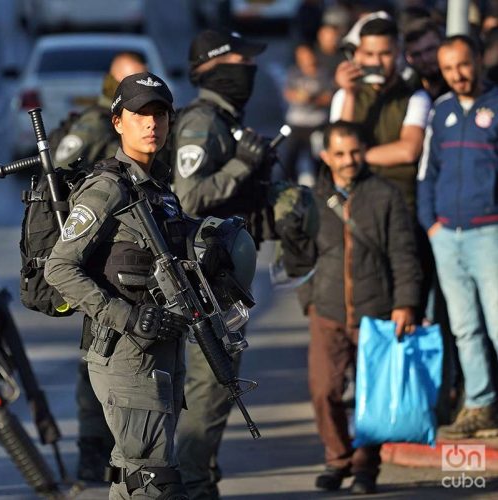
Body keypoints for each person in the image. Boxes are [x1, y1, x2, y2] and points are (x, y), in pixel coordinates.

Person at [45, 72, 191, 500]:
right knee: (148, 474)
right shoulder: (107, 189)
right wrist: (126, 316)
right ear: (117, 123)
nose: (151, 124)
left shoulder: (160, 189)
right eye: (140, 114)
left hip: (164, 343)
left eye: (160, 114)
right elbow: (60, 268)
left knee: (143, 471)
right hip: (127, 352)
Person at [280, 121, 421, 495]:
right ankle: (337, 459)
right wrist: (309, 301)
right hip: (326, 312)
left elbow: (404, 254)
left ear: (365, 151)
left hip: (376, 312)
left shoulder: (385, 195)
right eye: (339, 153)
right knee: (324, 390)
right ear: (325, 156)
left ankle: (365, 467)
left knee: (371, 397)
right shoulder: (312, 200)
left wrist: (405, 303)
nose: (348, 160)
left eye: (355, 152)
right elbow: (298, 259)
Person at [170, 29, 270, 500]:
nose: (247, 68)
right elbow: (189, 196)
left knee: (217, 385)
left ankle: (198, 476)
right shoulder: (201, 123)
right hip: (204, 280)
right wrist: (239, 168)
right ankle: (193, 483)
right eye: (238, 59)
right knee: (210, 385)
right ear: (211, 67)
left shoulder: (226, 119)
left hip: (221, 274)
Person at [49, 50, 147, 483]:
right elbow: (57, 165)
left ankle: (121, 454)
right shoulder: (93, 123)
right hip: (93, 253)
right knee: (96, 356)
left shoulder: (152, 126)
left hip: (134, 258)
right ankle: (93, 451)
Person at [418, 35, 498, 439]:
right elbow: (427, 173)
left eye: (463, 65)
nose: (457, 75)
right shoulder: (441, 110)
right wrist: (431, 223)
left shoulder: (496, 106)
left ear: (478, 61)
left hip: (490, 232)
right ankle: (480, 405)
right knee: (465, 327)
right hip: (447, 235)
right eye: (449, 69)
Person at [331, 14, 431, 213]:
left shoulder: (415, 96)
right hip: (355, 201)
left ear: (397, 52)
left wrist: (355, 156)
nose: (376, 61)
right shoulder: (345, 96)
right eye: (369, 54)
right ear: (358, 55)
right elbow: (337, 146)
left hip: (400, 203)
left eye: (385, 53)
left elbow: (408, 150)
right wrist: (350, 93)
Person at [52, 51, 146, 170]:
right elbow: (61, 169)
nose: (144, 89)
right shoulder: (97, 122)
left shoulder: (133, 119)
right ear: (115, 82)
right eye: (136, 82)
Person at [282, 42, 334, 187]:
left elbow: (329, 96)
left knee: (318, 158)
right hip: (296, 122)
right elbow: (287, 92)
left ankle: (322, 187)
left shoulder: (323, 73)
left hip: (316, 123)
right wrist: (298, 97)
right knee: (290, 159)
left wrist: (314, 99)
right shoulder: (294, 72)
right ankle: (287, 185)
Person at [402, 18, 448, 100]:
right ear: (408, 58)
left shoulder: (460, 84)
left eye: (430, 49)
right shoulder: (405, 92)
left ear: (443, 45)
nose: (425, 59)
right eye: (416, 54)